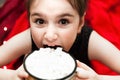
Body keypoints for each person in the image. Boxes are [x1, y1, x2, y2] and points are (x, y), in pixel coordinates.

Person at [0, 0, 120, 80]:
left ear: (80, 23)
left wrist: (98, 78)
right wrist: (12, 76)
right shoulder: (27, 38)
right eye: (40, 21)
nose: (50, 35)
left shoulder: (89, 41)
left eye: (63, 22)